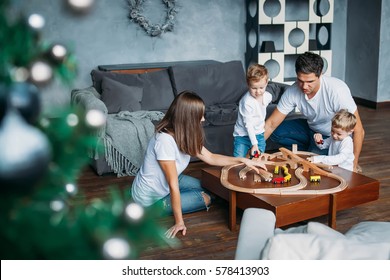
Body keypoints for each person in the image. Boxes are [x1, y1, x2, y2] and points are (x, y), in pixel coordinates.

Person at [131, 91, 267, 238]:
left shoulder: (185, 134)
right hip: (151, 199)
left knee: (212, 187)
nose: (202, 119)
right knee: (207, 198)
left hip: (169, 181)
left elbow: (211, 157)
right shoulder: (164, 141)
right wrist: (179, 222)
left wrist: (243, 160)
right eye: (199, 115)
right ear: (188, 118)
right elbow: (173, 185)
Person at [264, 52, 365, 172]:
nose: (304, 86)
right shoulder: (293, 91)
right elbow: (271, 124)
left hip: (330, 136)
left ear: (320, 74)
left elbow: (359, 130)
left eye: (310, 81)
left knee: (314, 166)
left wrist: (354, 164)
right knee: (276, 132)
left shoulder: (338, 90)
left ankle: (313, 150)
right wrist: (254, 148)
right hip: (310, 128)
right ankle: (307, 148)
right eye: (300, 80)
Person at [233, 64, 272, 158]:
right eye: (254, 88)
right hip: (242, 135)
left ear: (266, 83)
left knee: (258, 157)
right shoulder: (246, 102)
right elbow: (248, 125)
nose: (258, 92)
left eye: (261, 88)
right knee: (238, 159)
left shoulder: (268, 96)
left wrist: (256, 143)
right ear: (248, 84)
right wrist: (254, 144)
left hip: (259, 134)